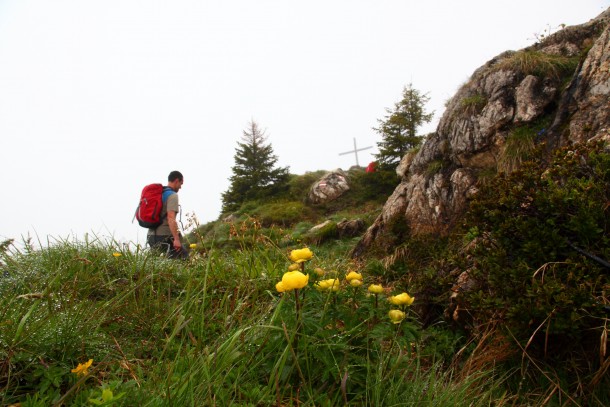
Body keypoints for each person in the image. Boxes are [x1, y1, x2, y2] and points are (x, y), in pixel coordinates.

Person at [147, 170, 188, 259]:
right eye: (181, 184)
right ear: (176, 181)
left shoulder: (158, 193)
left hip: (150, 236)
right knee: (183, 258)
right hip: (164, 236)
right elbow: (171, 218)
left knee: (158, 263)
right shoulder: (172, 195)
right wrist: (176, 239)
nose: (180, 187)